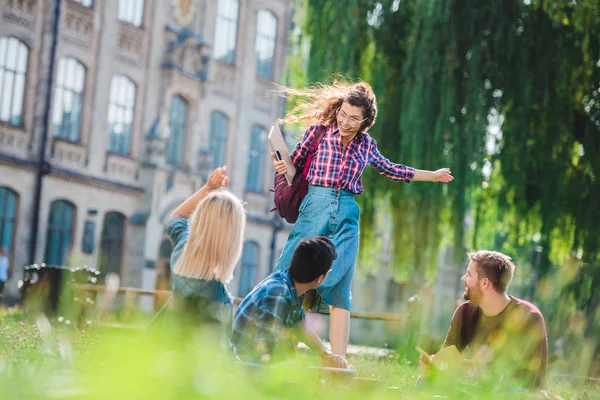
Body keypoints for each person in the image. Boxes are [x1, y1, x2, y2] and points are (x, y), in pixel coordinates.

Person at [272, 80, 454, 359]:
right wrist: (282, 165)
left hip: (347, 211)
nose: (345, 121)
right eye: (343, 114)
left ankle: (339, 362)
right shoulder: (319, 133)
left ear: (365, 121)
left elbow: (392, 169)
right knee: (289, 274)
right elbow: (293, 166)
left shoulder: (367, 145)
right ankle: (276, 346)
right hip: (315, 207)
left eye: (353, 118)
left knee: (341, 285)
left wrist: (432, 175)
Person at [419, 250, 548, 390]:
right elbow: (447, 357)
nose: (463, 278)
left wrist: (471, 370)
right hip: (479, 386)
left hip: (514, 392)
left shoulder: (529, 317)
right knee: (424, 381)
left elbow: (525, 380)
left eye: (469, 274)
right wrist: (434, 365)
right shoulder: (465, 312)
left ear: (485, 283)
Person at [153, 166, 246, 348]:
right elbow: (216, 360)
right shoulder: (214, 296)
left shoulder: (183, 251)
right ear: (231, 237)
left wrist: (207, 189)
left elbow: (175, 220)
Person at [231, 236, 347, 368]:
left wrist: (326, 355)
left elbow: (302, 327)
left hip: (258, 362)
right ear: (320, 278)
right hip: (244, 365)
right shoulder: (278, 294)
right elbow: (267, 350)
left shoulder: (290, 286)